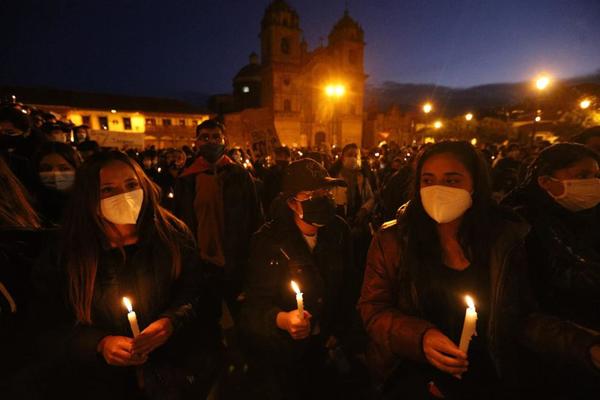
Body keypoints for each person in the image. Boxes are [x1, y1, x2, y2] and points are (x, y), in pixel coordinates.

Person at [358, 141, 600, 399]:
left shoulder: (504, 239)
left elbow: (521, 317)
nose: (438, 189)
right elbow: (373, 309)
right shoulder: (393, 240)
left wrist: (586, 346)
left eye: (451, 181)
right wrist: (420, 338)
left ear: (474, 185)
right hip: (414, 376)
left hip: (489, 378)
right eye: (428, 180)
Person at [31, 151, 221, 399]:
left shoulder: (171, 234)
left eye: (131, 185)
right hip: (98, 383)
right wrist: (98, 343)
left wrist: (171, 321)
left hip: (171, 377)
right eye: (108, 190)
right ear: (89, 198)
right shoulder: (68, 250)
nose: (124, 196)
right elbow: (47, 319)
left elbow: (194, 291)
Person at [240, 158, 358, 399]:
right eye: (312, 194)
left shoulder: (339, 231)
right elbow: (254, 305)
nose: (323, 198)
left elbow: (350, 287)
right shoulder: (268, 241)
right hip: (286, 354)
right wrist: (283, 319)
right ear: (292, 203)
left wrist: (340, 331)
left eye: (325, 191)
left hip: (330, 348)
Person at [501, 143, 600, 396]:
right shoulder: (518, 227)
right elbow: (516, 310)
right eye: (582, 176)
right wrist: (584, 345)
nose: (593, 183)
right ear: (545, 181)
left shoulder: (590, 220)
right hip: (547, 363)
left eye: (596, 176)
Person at [173, 119, 262, 320]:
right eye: (205, 137)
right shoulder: (187, 179)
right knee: (207, 318)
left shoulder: (240, 175)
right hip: (202, 263)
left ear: (225, 141)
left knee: (242, 316)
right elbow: (179, 222)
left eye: (216, 137)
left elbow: (255, 216)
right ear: (196, 142)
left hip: (235, 260)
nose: (211, 142)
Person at [32, 141, 82, 224]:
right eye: (46, 169)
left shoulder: (90, 201)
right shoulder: (33, 205)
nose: (54, 174)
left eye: (64, 169)